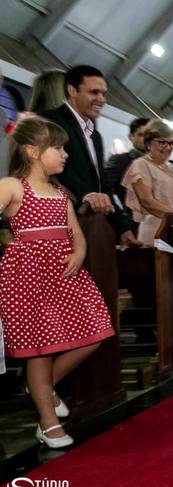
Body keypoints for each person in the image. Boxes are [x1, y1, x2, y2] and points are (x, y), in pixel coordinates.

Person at [0, 116, 114, 448]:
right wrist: (11, 245)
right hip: (29, 277)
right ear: (32, 151)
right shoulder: (12, 186)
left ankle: (42, 387)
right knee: (39, 349)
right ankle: (48, 423)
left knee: (95, 331)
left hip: (65, 274)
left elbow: (75, 233)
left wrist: (79, 252)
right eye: (58, 148)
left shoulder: (60, 191)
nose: (65, 154)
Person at [41, 65, 137, 248]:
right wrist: (86, 193)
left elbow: (103, 185)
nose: (101, 99)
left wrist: (123, 228)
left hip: (91, 226)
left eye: (104, 93)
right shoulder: (50, 120)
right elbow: (53, 167)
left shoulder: (95, 136)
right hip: (58, 224)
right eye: (94, 92)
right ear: (72, 91)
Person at [121, 120, 173, 245]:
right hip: (156, 234)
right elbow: (147, 201)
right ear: (148, 143)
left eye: (171, 143)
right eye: (162, 142)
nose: (168, 147)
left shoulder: (172, 171)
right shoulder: (141, 164)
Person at [103, 117, 150, 222]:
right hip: (125, 222)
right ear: (131, 137)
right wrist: (122, 220)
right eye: (141, 135)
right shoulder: (119, 160)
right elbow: (105, 190)